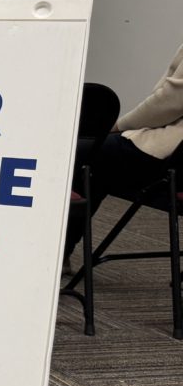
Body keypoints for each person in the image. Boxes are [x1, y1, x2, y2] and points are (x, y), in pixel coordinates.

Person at [66, 42, 183, 258]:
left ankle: (55, 256)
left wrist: (119, 125)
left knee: (79, 154)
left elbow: (170, 102)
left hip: (169, 160)